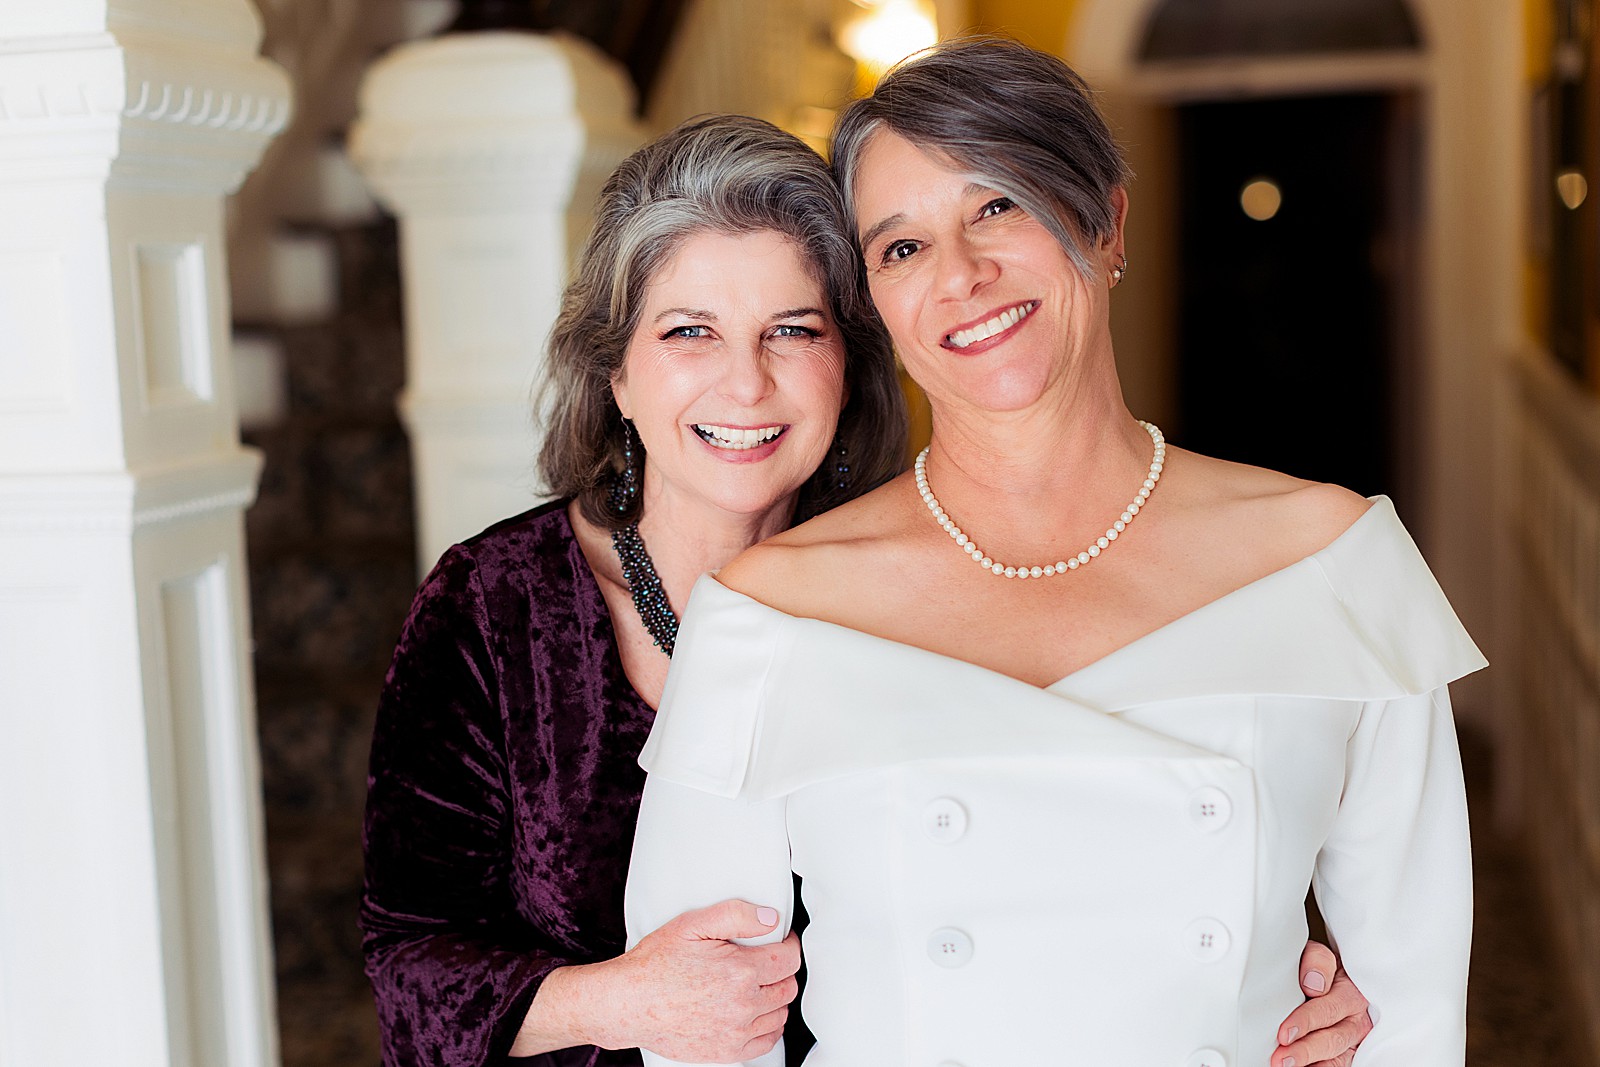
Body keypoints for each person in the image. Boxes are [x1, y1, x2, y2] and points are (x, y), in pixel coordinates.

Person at [362, 114, 1374, 1067]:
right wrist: (625, 1000)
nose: (746, 383)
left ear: (852, 361)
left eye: (792, 329)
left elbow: (1075, 863)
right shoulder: (493, 606)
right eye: (688, 333)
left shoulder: (932, 574)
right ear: (615, 373)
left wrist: (1269, 973)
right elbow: (407, 975)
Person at [625, 39, 1482, 1067]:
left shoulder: (1333, 562)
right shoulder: (769, 614)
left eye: (998, 205)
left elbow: (1412, 1013)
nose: (961, 274)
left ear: (1105, 221)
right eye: (901, 247)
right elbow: (700, 1032)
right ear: (876, 306)